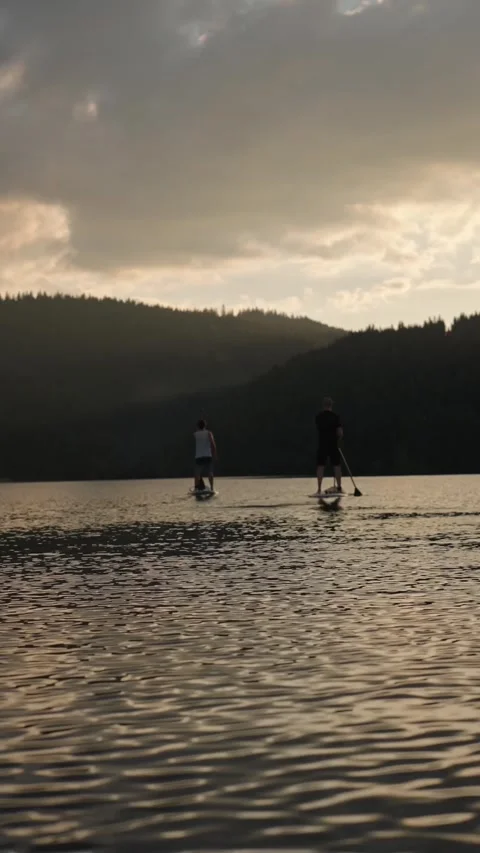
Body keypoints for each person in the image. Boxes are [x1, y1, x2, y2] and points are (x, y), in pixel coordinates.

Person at [315, 397, 343, 495]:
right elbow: (340, 432)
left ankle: (319, 489)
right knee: (336, 465)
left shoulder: (318, 417)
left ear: (323, 405)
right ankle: (339, 487)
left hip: (322, 444)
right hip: (333, 444)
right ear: (331, 405)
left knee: (320, 465)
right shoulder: (335, 416)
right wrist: (338, 439)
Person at [193, 419, 217, 491]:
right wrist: (215, 454)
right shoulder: (209, 433)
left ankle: (196, 488)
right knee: (210, 472)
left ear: (197, 426)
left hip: (199, 456)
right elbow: (212, 443)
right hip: (208, 455)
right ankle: (212, 488)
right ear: (205, 425)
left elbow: (198, 432)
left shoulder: (195, 434)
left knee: (197, 473)